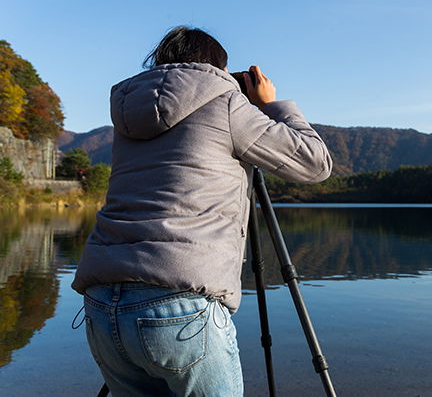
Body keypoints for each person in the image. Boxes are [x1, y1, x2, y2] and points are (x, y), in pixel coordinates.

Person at [71, 26, 333, 396]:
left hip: (101, 302)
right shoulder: (227, 103)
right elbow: (315, 163)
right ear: (218, 70)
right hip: (179, 303)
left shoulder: (128, 114)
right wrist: (271, 106)